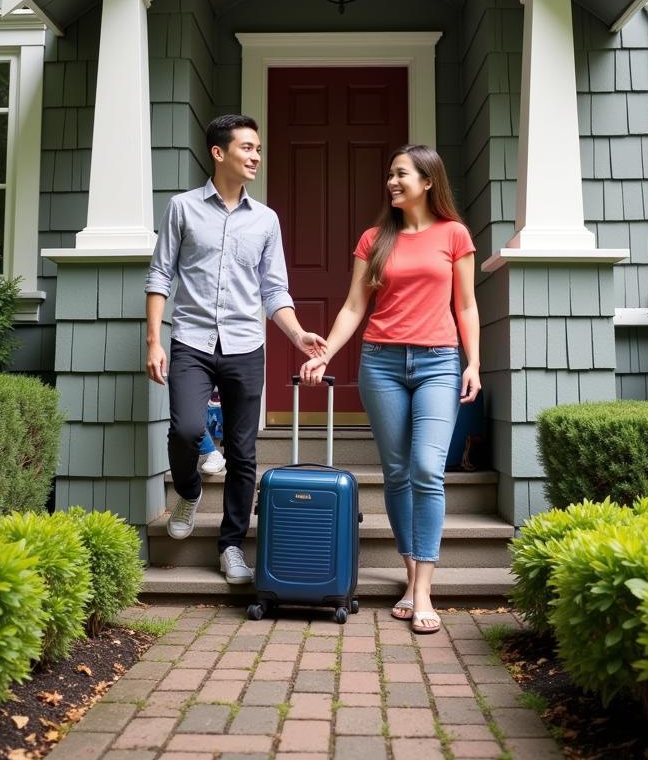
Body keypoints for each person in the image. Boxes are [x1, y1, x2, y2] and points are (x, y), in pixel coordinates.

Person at [300, 144, 480, 633]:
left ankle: (424, 590)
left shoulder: (454, 234)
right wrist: (326, 353)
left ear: (427, 181)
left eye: (401, 174)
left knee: (427, 467)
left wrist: (474, 363)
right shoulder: (374, 239)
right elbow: (354, 307)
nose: (391, 182)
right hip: (380, 362)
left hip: (439, 362)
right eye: (390, 174)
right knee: (398, 472)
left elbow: (465, 305)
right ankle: (411, 577)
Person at [145, 114, 326, 585]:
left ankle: (230, 546)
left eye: (259, 149)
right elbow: (161, 275)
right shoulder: (182, 208)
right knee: (185, 429)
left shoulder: (266, 220)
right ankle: (188, 491)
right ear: (219, 153)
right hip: (191, 340)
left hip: (246, 345)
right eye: (247, 148)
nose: (256, 157)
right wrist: (153, 340)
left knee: (243, 452)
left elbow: (274, 291)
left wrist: (299, 334)